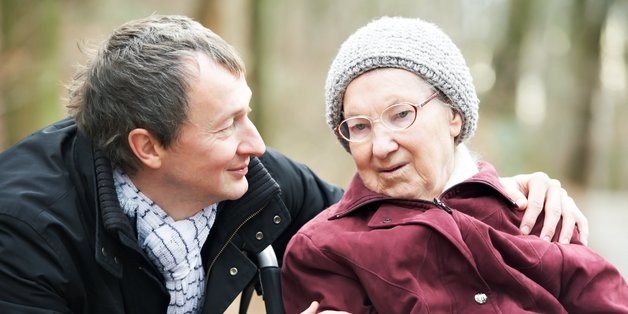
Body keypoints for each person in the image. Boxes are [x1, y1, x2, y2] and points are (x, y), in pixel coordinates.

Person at [0, 14, 586, 314]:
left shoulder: (260, 178)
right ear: (148, 147)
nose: (256, 143)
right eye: (227, 125)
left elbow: (384, 221)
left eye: (247, 113)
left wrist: (492, 196)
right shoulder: (23, 229)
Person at [281, 16, 628, 313]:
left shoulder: (533, 214)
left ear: (455, 117)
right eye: (360, 126)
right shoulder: (325, 249)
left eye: (401, 115)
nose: (381, 146)